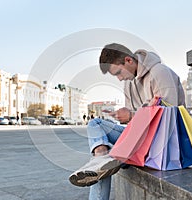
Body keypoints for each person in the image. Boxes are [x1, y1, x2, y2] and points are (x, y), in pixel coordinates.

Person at [69, 43, 185, 200]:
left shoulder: (160, 72)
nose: (119, 78)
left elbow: (169, 118)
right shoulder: (128, 83)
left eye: (118, 72)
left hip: (163, 141)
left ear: (128, 60)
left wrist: (131, 115)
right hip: (140, 138)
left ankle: (101, 160)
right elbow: (134, 124)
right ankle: (101, 158)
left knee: (101, 164)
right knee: (95, 124)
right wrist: (123, 117)